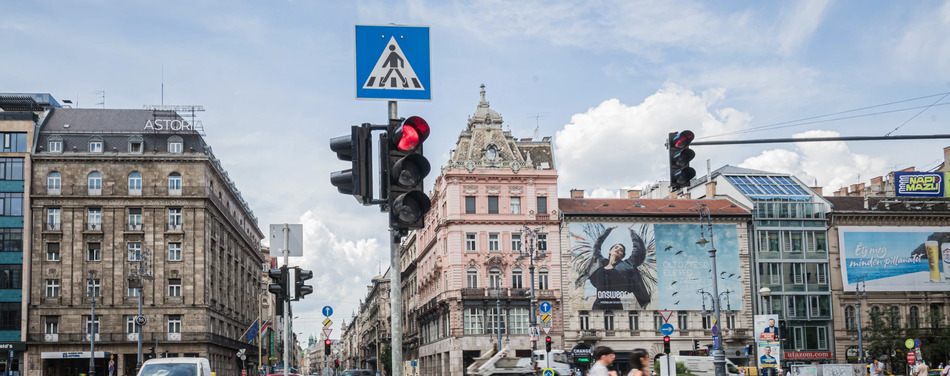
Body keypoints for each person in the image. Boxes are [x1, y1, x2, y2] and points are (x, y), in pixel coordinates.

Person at [588, 226, 651, 309]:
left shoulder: (627, 264)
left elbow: (638, 250)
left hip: (615, 305)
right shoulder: (601, 263)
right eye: (616, 247)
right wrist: (608, 230)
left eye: (621, 250)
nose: (618, 249)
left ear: (622, 255)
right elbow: (597, 246)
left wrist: (632, 233)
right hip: (598, 306)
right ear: (610, 251)